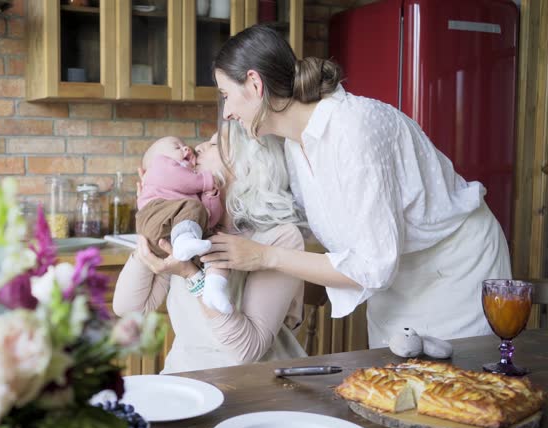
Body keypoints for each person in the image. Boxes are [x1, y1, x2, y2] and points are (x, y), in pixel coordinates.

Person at [202, 25, 512, 347]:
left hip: (455, 269)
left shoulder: (353, 131)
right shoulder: (296, 144)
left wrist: (265, 257)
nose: (228, 113)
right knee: (394, 386)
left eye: (226, 96)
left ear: (254, 84)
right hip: (398, 275)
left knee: (454, 389)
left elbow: (373, 268)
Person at [113, 121, 308, 374]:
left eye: (214, 143)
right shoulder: (186, 228)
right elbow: (128, 307)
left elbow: (246, 350)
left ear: (245, 164)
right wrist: (154, 215)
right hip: (185, 377)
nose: (199, 147)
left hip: (254, 386)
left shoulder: (279, 237)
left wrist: (191, 275)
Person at [135, 136, 232, 314]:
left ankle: (214, 288)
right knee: (193, 207)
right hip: (157, 220)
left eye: (212, 144)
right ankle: (184, 240)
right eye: (177, 147)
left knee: (215, 247)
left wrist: (211, 196)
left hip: (180, 232)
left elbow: (208, 217)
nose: (189, 148)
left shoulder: (189, 192)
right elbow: (180, 179)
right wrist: (205, 181)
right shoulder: (161, 169)